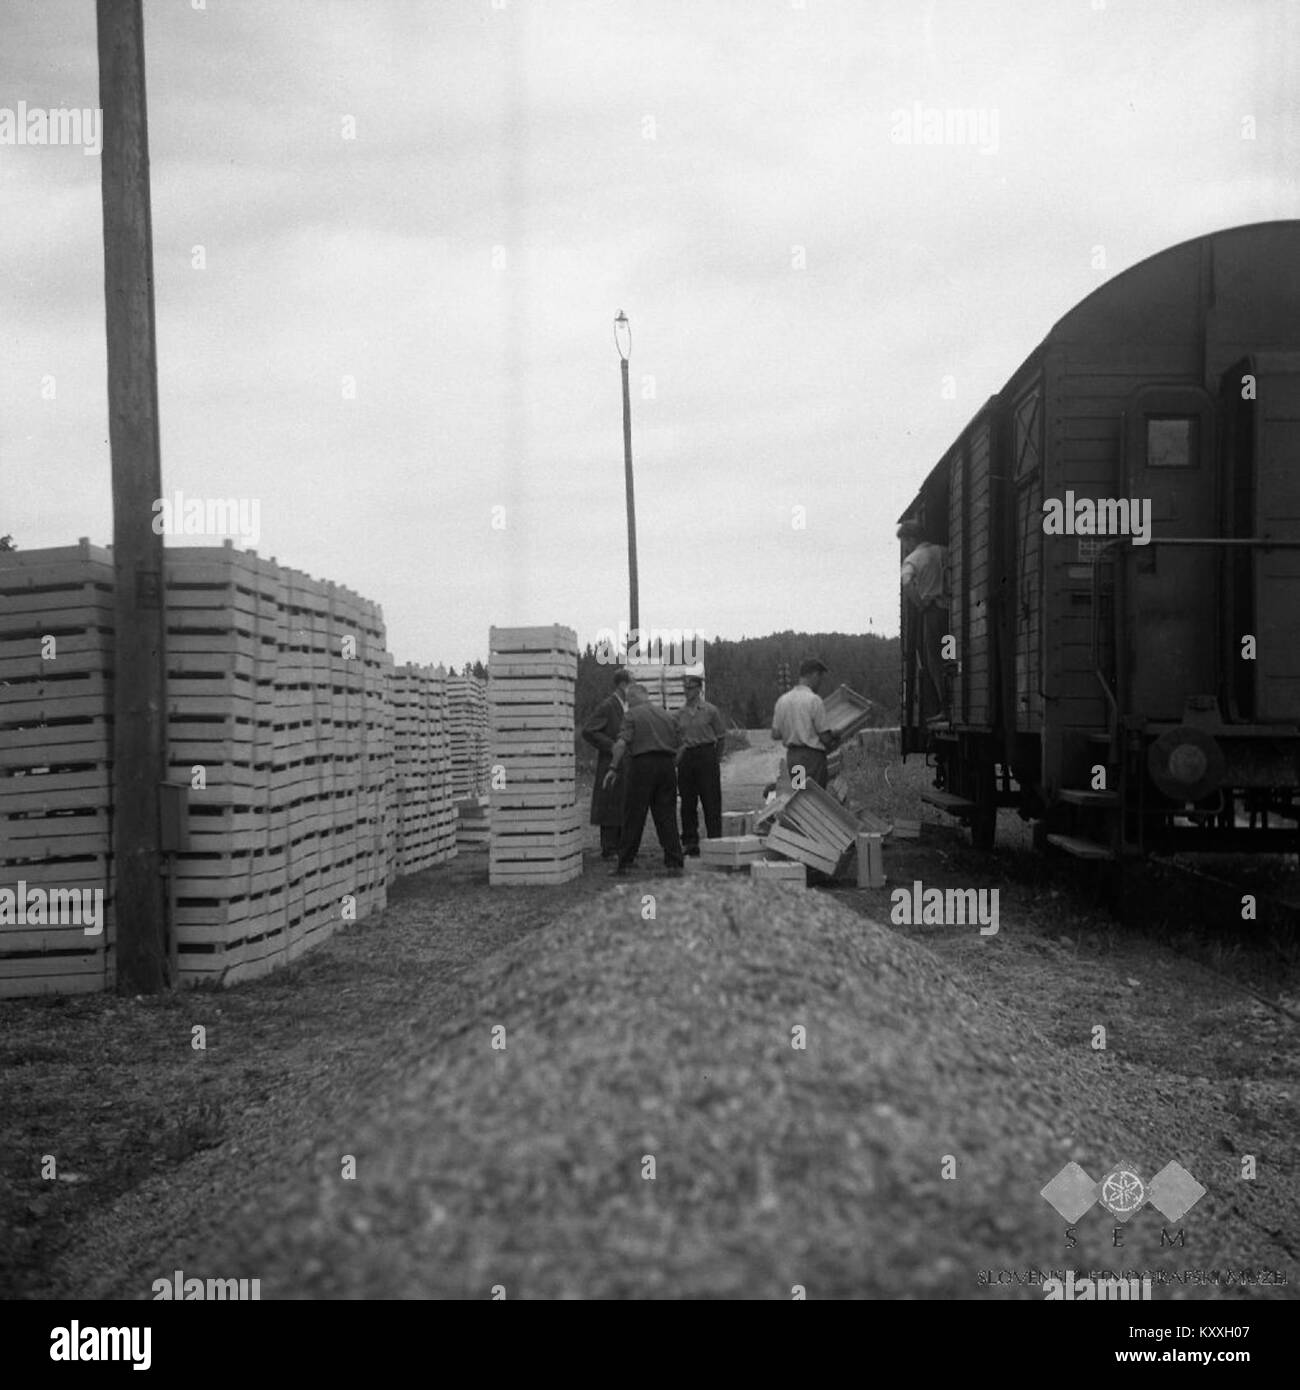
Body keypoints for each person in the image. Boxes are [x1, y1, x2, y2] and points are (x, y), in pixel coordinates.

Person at [604, 683, 685, 876]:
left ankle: (625, 862)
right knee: (666, 815)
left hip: (642, 766)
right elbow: (682, 744)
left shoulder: (632, 715)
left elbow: (622, 744)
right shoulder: (666, 715)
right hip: (666, 766)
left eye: (628, 701)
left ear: (632, 699)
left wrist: (613, 768)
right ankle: (674, 862)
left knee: (633, 815)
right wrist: (671, 763)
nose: (628, 705)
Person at [898, 519, 950, 723]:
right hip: (951, 612)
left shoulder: (914, 558)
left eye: (905, 541)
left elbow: (907, 583)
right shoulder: (945, 551)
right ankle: (956, 704)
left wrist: (920, 604)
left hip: (933, 613)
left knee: (935, 660)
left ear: (911, 538)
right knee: (951, 656)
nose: (905, 546)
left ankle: (946, 707)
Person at [580, 668, 630, 857]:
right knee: (609, 802)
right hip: (609, 761)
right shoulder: (608, 706)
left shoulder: (624, 707)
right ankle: (609, 848)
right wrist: (611, 746)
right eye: (631, 684)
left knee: (620, 802)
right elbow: (588, 730)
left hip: (623, 763)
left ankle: (619, 846)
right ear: (623, 685)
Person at [674, 674, 726, 855]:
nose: (687, 692)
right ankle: (690, 841)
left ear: (698, 689)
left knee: (711, 799)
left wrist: (715, 758)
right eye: (685, 689)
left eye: (690, 688)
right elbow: (676, 738)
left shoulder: (710, 710)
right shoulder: (679, 714)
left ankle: (715, 839)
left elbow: (721, 736)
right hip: (688, 757)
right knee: (688, 801)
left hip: (706, 754)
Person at [771, 658, 839, 789]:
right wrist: (835, 736)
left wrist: (792, 730)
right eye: (820, 677)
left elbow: (775, 734)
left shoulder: (783, 700)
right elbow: (824, 737)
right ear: (813, 675)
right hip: (812, 758)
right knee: (816, 798)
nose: (820, 682)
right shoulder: (814, 700)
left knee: (800, 795)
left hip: (793, 758)